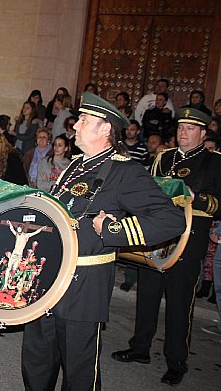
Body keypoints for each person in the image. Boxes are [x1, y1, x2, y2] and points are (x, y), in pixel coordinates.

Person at [21, 92, 185, 391]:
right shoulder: (75, 165)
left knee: (79, 372)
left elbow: (170, 220)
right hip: (47, 276)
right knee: (37, 359)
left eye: (84, 120)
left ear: (105, 128)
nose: (76, 125)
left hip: (84, 284)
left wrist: (113, 231)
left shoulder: (125, 171)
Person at [111, 107, 221, 386]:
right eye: (181, 127)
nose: (183, 132)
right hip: (158, 235)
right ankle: (140, 348)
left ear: (203, 133)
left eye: (190, 128)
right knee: (147, 293)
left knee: (179, 300)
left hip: (190, 238)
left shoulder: (214, 162)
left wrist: (194, 199)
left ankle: (176, 361)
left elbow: (219, 204)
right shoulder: (164, 158)